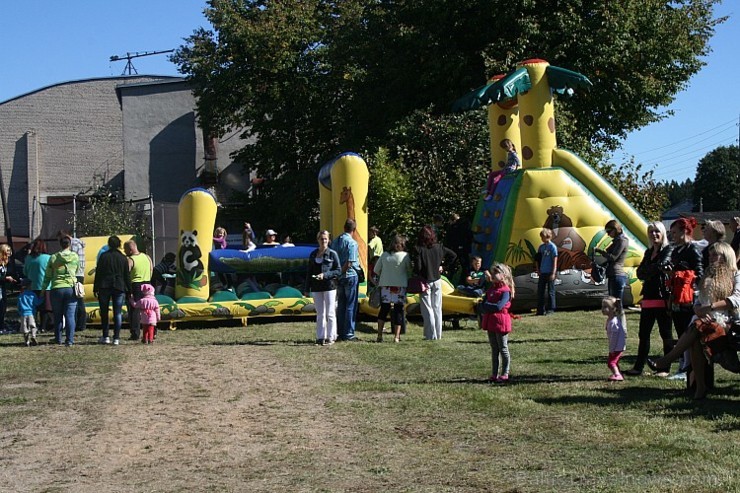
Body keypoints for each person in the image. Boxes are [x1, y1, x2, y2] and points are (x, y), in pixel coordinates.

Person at [648, 242, 739, 400]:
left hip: (730, 323)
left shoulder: (735, 275)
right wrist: (699, 310)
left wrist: (709, 308)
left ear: (725, 256)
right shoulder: (707, 275)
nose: (710, 258)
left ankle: (668, 359)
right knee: (696, 334)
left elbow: (736, 299)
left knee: (696, 327)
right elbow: (698, 302)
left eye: (714, 255)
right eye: (709, 255)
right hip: (706, 320)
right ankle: (700, 387)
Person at [625, 222, 673, 376]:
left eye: (657, 231)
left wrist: (650, 270)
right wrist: (653, 269)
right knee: (643, 334)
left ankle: (664, 368)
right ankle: (638, 367)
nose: (654, 235)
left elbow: (661, 265)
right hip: (648, 297)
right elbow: (639, 273)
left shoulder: (668, 250)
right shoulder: (648, 252)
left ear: (663, 233)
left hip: (662, 297)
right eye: (651, 232)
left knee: (665, 334)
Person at [660, 217, 703, 380]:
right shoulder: (677, 250)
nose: (672, 236)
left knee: (687, 333)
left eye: (675, 233)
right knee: (680, 332)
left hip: (688, 297)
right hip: (676, 296)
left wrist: (683, 274)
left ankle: (688, 368)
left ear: (684, 231)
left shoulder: (693, 249)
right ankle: (683, 367)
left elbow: (699, 273)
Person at [412, 225, 457, 340]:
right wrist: (443, 266)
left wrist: (416, 273)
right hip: (437, 280)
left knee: (428, 309)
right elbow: (453, 255)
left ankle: (430, 335)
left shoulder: (419, 249)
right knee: (437, 308)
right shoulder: (439, 247)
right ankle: (438, 334)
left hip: (425, 281)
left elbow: (418, 267)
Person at [478, 262, 515, 383]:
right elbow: (483, 303)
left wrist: (486, 305)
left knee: (503, 348)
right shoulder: (491, 289)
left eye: (496, 273)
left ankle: (505, 373)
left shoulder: (505, 291)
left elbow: (498, 306)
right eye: (492, 273)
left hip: (501, 322)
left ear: (503, 275)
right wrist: (485, 305)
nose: (493, 275)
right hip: (491, 322)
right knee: (494, 349)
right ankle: (494, 373)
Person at [374, 234, 412, 343]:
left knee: (384, 309)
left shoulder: (384, 255)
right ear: (402, 245)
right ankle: (396, 336)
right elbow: (409, 271)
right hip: (400, 286)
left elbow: (376, 270)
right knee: (398, 310)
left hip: (385, 286)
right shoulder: (405, 256)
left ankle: (379, 335)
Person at [42, 236, 80, 346]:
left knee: (58, 315)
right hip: (70, 288)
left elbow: (48, 275)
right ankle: (70, 340)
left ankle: (58, 338)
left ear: (60, 244)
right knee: (70, 315)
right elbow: (77, 270)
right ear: (69, 244)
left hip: (56, 288)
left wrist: (44, 289)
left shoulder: (53, 257)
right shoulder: (75, 257)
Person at [306, 230, 341, 346]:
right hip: (316, 287)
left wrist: (325, 275)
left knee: (330, 313)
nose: (323, 241)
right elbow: (309, 272)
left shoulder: (332, 254)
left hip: (329, 286)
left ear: (328, 240)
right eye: (321, 239)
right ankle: (320, 337)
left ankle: (331, 337)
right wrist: (307, 288)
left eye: (325, 239)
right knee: (320, 313)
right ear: (318, 240)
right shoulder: (313, 254)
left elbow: (338, 270)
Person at [94, 236, 131, 345]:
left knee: (104, 312)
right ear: (119, 244)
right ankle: (116, 338)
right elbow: (126, 275)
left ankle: (105, 336)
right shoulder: (123, 258)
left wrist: (96, 287)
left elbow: (99, 273)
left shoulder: (103, 257)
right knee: (117, 312)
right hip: (119, 286)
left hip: (104, 285)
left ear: (109, 244)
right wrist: (129, 289)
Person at [332, 219, 361, 341]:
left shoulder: (335, 242)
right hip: (350, 276)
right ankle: (349, 334)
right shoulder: (352, 243)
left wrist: (336, 275)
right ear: (354, 230)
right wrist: (341, 273)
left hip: (339, 278)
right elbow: (350, 263)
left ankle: (339, 331)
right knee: (350, 305)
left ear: (344, 228)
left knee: (341, 305)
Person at [594, 220, 629, 304]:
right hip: (613, 274)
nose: (608, 234)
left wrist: (600, 251)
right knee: (612, 305)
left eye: (609, 231)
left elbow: (613, 257)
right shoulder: (617, 240)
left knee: (616, 305)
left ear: (615, 229)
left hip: (617, 275)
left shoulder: (622, 240)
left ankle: (619, 317)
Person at [125, 240, 153, 341]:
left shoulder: (131, 259)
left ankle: (135, 333)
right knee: (149, 308)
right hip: (147, 283)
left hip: (136, 284)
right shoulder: (147, 257)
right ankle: (153, 332)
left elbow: (126, 274)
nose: (125, 252)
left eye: (126, 249)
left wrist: (128, 288)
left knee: (134, 309)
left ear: (131, 249)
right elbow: (151, 269)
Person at [58, 230, 86, 332]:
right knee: (78, 298)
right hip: (80, 273)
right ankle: (79, 323)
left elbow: (70, 259)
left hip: (75, 274)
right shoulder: (78, 243)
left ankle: (80, 323)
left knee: (77, 299)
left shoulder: (73, 245)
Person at [23, 239, 52, 333]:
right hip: (46, 286)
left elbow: (25, 272)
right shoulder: (48, 258)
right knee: (45, 309)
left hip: (32, 286)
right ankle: (43, 326)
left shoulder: (28, 258)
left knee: (33, 308)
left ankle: (33, 326)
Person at [602, 296, 627, 381]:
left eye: (606, 307)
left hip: (617, 346)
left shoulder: (614, 322)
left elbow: (614, 338)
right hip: (617, 346)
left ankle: (617, 375)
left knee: (611, 362)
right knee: (614, 362)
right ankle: (618, 373)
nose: (603, 309)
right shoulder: (611, 320)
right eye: (602, 307)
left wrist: (612, 349)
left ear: (613, 309)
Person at [535, 228, 558, 316]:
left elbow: (555, 260)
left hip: (550, 271)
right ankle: (540, 310)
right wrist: (538, 269)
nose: (541, 238)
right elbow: (537, 259)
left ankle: (551, 309)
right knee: (540, 291)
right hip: (542, 271)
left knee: (550, 291)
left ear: (547, 236)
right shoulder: (541, 247)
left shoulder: (552, 247)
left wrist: (553, 273)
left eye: (543, 237)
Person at [18, 278, 42, 346]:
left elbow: (19, 305)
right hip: (31, 313)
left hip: (23, 314)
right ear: (29, 286)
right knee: (33, 326)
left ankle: (26, 342)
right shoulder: (32, 294)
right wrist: (42, 299)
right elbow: (37, 303)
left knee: (25, 329)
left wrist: (19, 312)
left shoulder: (21, 295)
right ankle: (33, 336)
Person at [0, 244, 15, 333]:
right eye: (7, 251)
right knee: (1, 306)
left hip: (3, 287)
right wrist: (5, 278)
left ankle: (2, 325)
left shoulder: (6, 263)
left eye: (10, 251)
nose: (9, 253)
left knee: (4, 306)